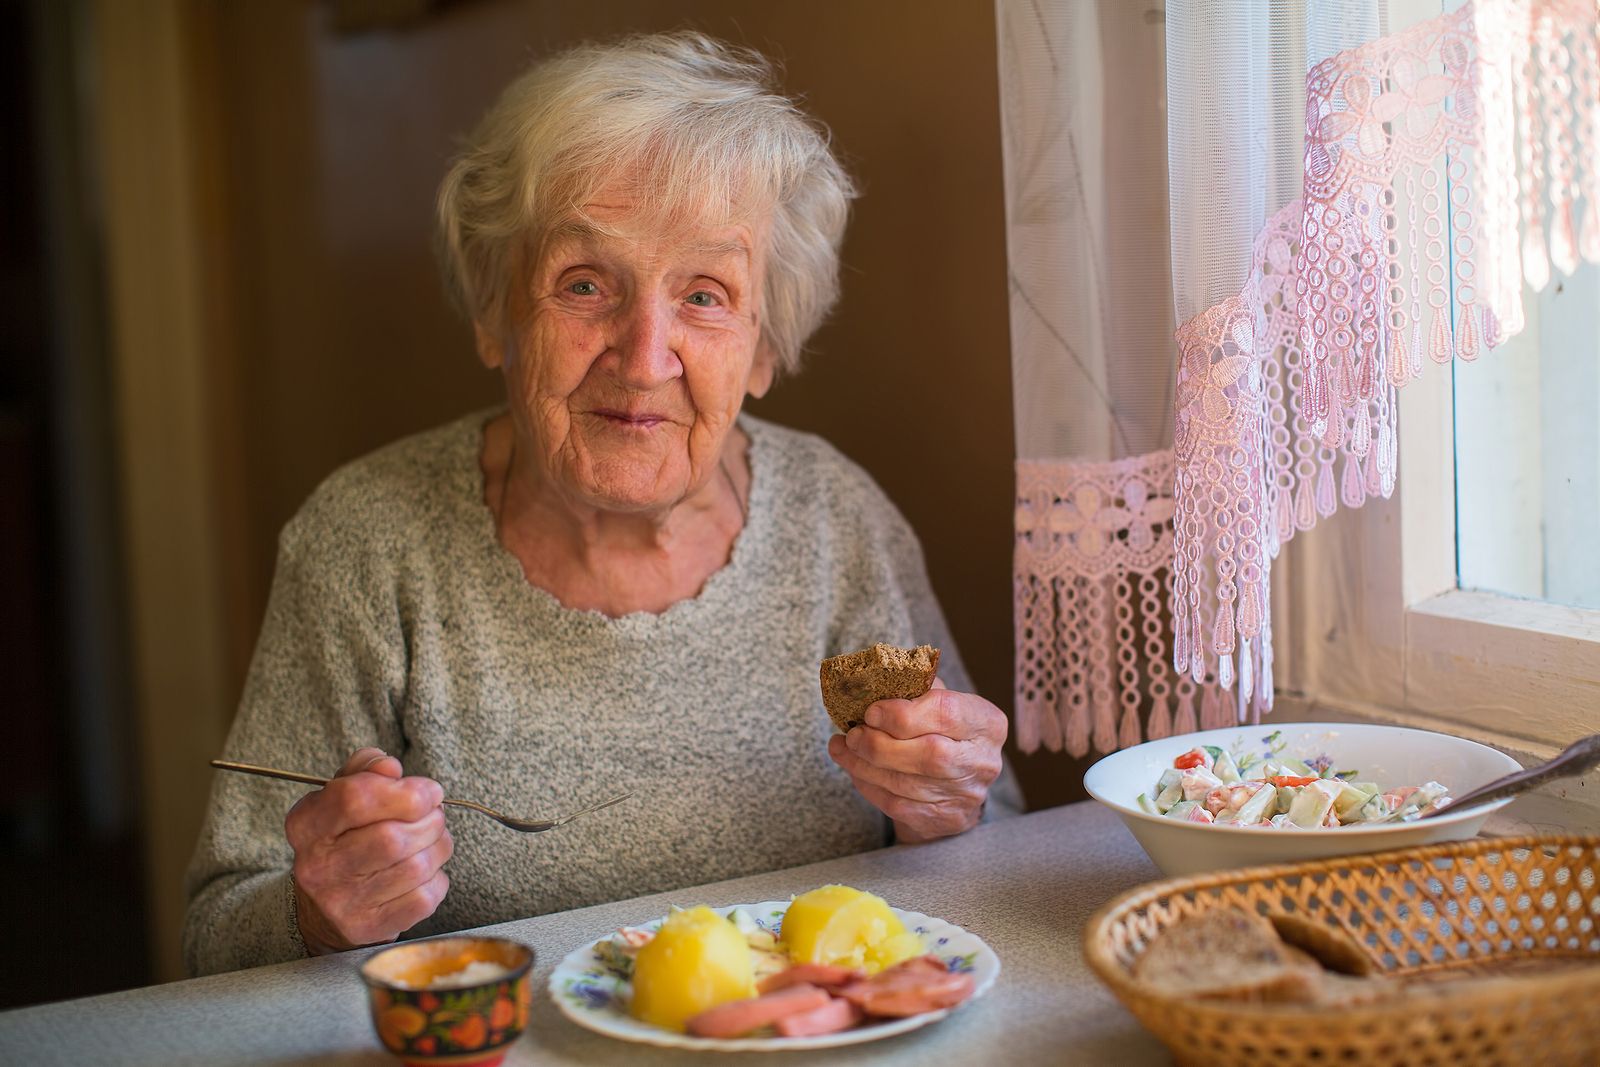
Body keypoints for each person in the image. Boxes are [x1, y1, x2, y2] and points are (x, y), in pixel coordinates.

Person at [183, 30, 1021, 977]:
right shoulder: (367, 541)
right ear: (496, 313)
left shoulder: (839, 517)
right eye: (586, 284)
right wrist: (317, 913)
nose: (643, 354)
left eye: (704, 295)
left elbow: (992, 847)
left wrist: (946, 811)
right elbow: (218, 934)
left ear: (762, 349)